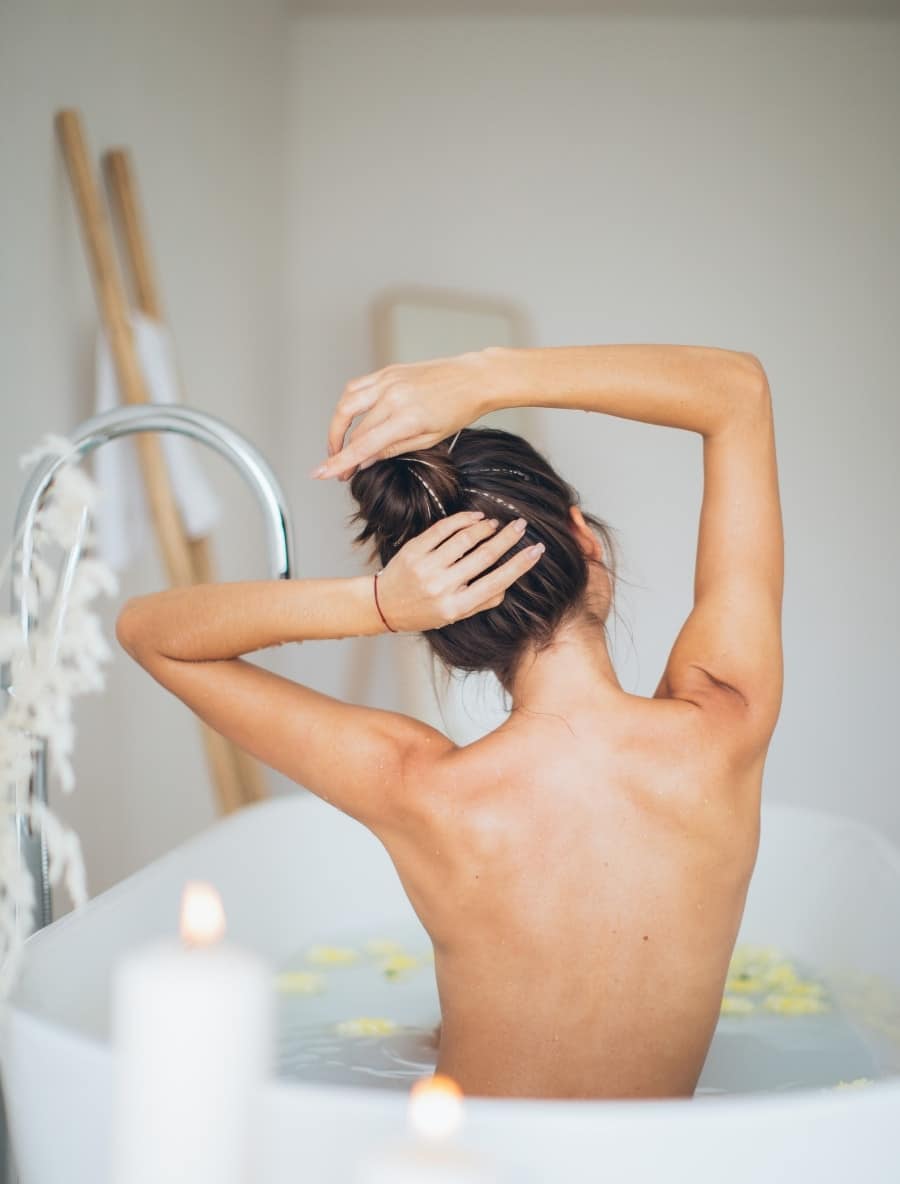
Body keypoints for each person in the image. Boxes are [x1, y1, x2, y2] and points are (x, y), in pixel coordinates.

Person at [117, 343, 783, 1099]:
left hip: (468, 1179)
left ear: (444, 629)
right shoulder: (726, 720)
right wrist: (488, 377)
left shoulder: (418, 788)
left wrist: (376, 605)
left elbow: (150, 633)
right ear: (584, 539)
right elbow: (736, 391)